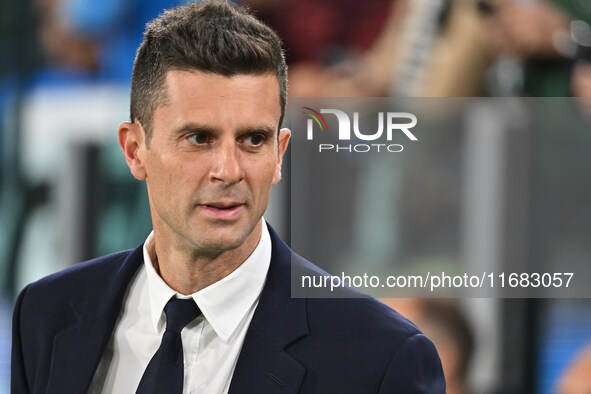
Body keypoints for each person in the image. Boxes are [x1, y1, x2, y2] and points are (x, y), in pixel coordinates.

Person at [11, 1, 445, 393]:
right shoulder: (47, 315)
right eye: (199, 138)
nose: (229, 170)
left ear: (280, 155)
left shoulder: (379, 358)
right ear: (134, 150)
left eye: (253, 140)